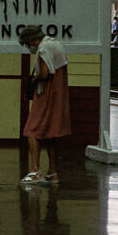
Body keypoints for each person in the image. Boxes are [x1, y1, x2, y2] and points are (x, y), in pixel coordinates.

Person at [20, 23, 71, 184]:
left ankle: (35, 171)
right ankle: (52, 172)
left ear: (33, 39)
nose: (29, 47)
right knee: (50, 133)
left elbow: (44, 72)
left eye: (28, 43)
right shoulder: (56, 44)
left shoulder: (43, 49)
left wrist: (34, 81)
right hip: (59, 93)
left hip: (46, 93)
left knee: (31, 130)